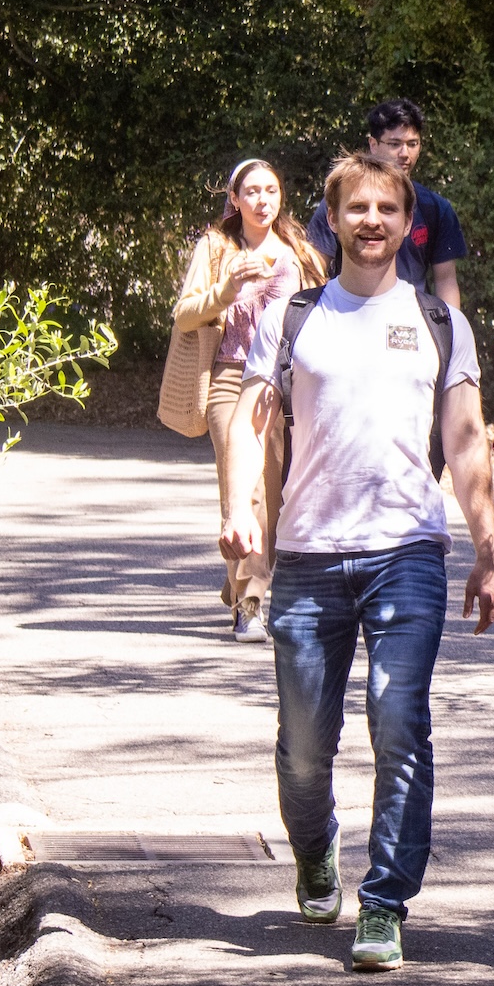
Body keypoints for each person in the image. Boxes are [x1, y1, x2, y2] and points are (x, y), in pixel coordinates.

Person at [221, 152, 494, 972]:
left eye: (387, 207)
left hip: (408, 551)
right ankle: (316, 847)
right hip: (309, 552)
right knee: (306, 746)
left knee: (398, 719)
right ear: (333, 219)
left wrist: (487, 550)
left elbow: (464, 440)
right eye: (357, 208)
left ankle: (384, 902)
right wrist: (241, 507)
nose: (372, 220)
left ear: (407, 221)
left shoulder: (439, 320)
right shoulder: (297, 316)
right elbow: (248, 417)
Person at [172, 159, 329, 642]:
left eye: (271, 190)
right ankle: (251, 601)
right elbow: (184, 315)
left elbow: (322, 316)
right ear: (234, 199)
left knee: (279, 492)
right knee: (246, 488)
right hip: (229, 376)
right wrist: (226, 290)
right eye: (252, 192)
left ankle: (239, 581)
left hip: (282, 382)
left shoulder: (301, 254)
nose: (263, 200)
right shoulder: (217, 248)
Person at [306, 98, 470, 307]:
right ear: (373, 145)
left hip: (412, 321)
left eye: (412, 144)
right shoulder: (341, 204)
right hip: (346, 312)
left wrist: (449, 332)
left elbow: (446, 280)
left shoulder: (436, 208)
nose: (405, 154)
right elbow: (313, 269)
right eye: (394, 144)